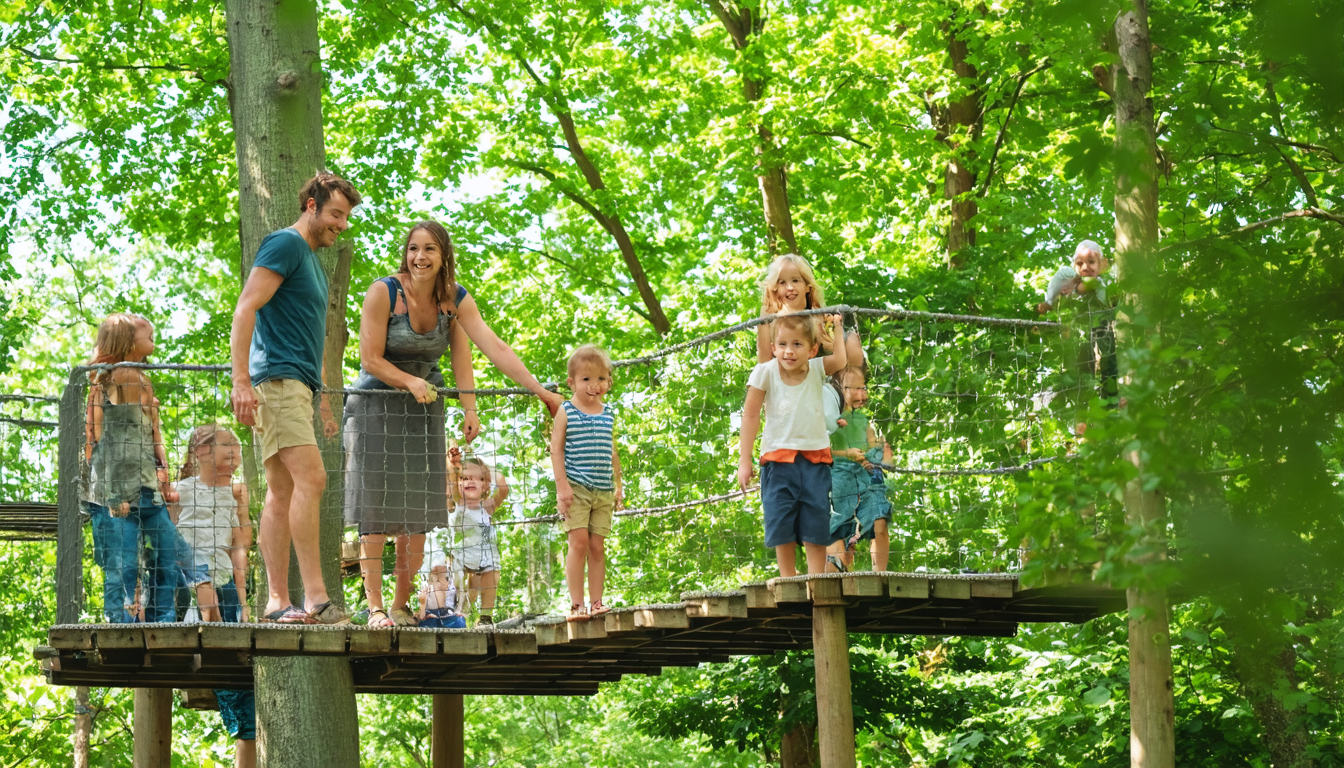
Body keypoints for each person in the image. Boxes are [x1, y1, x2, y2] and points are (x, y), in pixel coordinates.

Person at [344, 220, 562, 627]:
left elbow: (483, 349)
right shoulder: (384, 293)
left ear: (444, 255)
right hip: (376, 406)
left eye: (429, 249)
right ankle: (375, 608)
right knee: (376, 510)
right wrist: (410, 381)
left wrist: (484, 404)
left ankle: (400, 605)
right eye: (413, 249)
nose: (419, 257)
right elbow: (370, 359)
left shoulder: (454, 300)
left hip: (425, 407)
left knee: (419, 511)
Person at [229, 172, 359, 625]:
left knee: (282, 490)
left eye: (346, 217)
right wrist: (240, 381)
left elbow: (309, 335)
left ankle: (277, 602)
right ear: (311, 205)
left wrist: (320, 398)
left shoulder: (309, 260)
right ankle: (316, 598)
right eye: (335, 214)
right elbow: (246, 307)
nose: (341, 224)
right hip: (277, 381)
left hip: (297, 387)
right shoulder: (284, 245)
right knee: (313, 479)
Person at [83, 313, 185, 623]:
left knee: (167, 551)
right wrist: (115, 495)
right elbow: (107, 442)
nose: (152, 330)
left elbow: (149, 432)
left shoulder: (141, 375)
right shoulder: (120, 375)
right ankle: (121, 621)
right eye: (145, 330)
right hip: (116, 490)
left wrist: (162, 471)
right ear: (127, 341)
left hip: (145, 486)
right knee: (123, 561)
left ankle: (162, 618)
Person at [737, 314, 848, 577]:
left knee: (816, 520)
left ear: (812, 349)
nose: (789, 351)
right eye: (783, 344)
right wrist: (745, 460)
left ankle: (815, 579)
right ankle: (788, 578)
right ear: (773, 347)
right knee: (780, 519)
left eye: (797, 344)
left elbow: (841, 360)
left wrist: (839, 327)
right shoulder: (765, 371)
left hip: (815, 461)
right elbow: (750, 415)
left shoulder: (817, 369)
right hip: (777, 461)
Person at [551, 345, 622, 621]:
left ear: (608, 382)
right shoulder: (566, 411)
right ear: (571, 382)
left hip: (603, 489)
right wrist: (562, 487)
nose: (595, 385)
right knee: (578, 542)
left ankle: (596, 602)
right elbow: (556, 449)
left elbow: (612, 452)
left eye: (601, 379)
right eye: (586, 379)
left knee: (597, 546)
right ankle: (576, 605)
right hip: (576, 488)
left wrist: (618, 485)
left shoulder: (608, 413)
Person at [169, 425, 251, 623]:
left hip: (224, 580)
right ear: (201, 453)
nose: (234, 451)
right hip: (187, 583)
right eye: (226, 444)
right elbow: (167, 538)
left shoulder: (234, 495)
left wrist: (244, 603)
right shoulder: (179, 490)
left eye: (237, 448)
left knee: (227, 643)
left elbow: (241, 546)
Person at [1035, 240, 1118, 435]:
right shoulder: (1069, 278)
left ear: (1102, 263)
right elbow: (1070, 283)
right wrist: (1051, 300)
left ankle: (1110, 414)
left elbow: (1091, 284)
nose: (1085, 268)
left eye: (1091, 262)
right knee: (1082, 374)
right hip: (1080, 337)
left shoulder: (1103, 281)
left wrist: (1075, 282)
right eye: (1080, 264)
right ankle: (1081, 419)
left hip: (1102, 331)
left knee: (1109, 367)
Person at [823, 366, 894, 572]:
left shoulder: (863, 421)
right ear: (838, 389)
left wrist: (881, 454)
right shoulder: (828, 418)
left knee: (879, 520)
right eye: (854, 389)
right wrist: (847, 454)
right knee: (838, 533)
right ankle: (837, 569)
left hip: (865, 480)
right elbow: (820, 452)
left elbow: (881, 457)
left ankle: (880, 575)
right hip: (837, 483)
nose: (861, 395)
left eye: (863, 388)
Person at [755, 253, 864, 364]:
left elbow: (851, 360)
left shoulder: (825, 318)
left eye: (795, 280)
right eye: (782, 282)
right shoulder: (769, 320)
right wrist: (764, 318)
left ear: (808, 286)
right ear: (775, 288)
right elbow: (764, 364)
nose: (790, 288)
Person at [446, 447, 507, 626]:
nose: (470, 481)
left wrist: (489, 469)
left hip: (484, 556)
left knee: (491, 572)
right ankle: (455, 608)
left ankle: (485, 616)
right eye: (465, 478)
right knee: (459, 587)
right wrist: (454, 465)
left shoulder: (487, 506)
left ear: (485, 485)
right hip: (460, 557)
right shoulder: (458, 502)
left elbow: (504, 489)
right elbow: (451, 478)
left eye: (477, 478)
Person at [416, 545, 467, 629]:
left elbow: (461, 598)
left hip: (450, 615)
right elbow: (419, 614)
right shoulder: (423, 580)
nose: (437, 568)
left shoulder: (454, 577)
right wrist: (423, 608)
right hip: (430, 616)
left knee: (459, 622)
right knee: (427, 625)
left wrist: (459, 610)